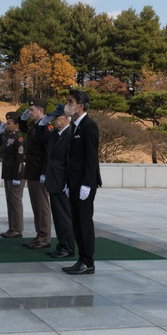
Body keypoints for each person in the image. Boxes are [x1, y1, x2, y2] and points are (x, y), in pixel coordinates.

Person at [62, 90, 101, 275]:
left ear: (80, 106)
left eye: (70, 101)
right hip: (75, 182)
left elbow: (91, 158)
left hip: (84, 184)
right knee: (76, 223)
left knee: (85, 223)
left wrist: (87, 184)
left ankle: (88, 262)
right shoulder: (76, 126)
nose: (68, 104)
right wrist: (69, 183)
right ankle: (81, 259)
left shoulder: (89, 125)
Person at [35, 104, 75, 258]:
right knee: (58, 217)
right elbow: (40, 138)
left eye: (57, 118)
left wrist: (68, 183)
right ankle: (62, 244)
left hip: (62, 182)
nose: (54, 121)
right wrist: (42, 123)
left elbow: (70, 161)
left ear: (66, 119)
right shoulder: (56, 134)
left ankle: (68, 247)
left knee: (64, 217)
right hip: (54, 181)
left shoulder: (69, 134)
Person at [18, 98, 52, 249]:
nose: (29, 112)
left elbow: (47, 152)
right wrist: (22, 120)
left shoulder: (46, 127)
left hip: (39, 171)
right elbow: (24, 129)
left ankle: (44, 237)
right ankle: (39, 235)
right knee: (35, 205)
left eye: (32, 110)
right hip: (32, 170)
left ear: (40, 110)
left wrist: (44, 173)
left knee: (42, 206)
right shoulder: (35, 125)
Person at [0, 111, 25, 238]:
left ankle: (17, 229)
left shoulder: (19, 138)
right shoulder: (10, 137)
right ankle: (12, 227)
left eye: (9, 123)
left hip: (15, 174)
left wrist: (18, 177)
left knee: (16, 202)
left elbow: (20, 159)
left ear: (16, 124)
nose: (7, 125)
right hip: (8, 173)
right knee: (10, 201)